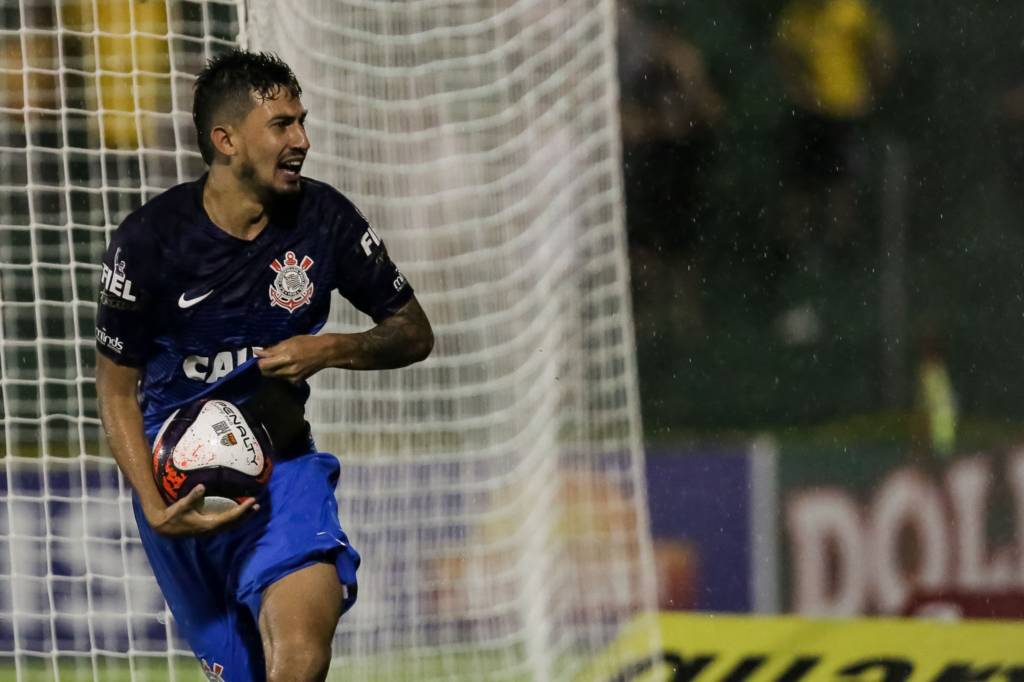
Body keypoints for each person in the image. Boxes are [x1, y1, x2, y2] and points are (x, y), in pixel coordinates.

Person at [94, 49, 434, 682]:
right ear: (225, 140)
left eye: (302, 121)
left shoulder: (324, 220)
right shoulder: (149, 243)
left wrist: (330, 348)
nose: (302, 140)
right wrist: (154, 501)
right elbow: (116, 392)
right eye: (282, 125)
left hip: (285, 476)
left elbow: (414, 332)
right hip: (179, 494)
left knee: (300, 657)